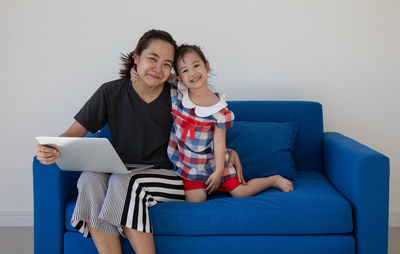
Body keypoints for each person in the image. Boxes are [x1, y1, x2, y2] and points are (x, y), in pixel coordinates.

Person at [34, 30, 243, 254]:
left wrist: (229, 152)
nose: (158, 69)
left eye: (166, 64)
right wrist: (49, 147)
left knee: (126, 182)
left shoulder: (179, 95)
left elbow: (205, 127)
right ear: (136, 58)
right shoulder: (111, 92)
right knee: (89, 179)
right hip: (121, 170)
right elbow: (73, 132)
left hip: (169, 174)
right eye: (152, 59)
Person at [166, 44, 294, 202]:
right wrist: (134, 71)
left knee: (241, 192)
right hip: (191, 166)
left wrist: (219, 170)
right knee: (195, 202)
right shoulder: (179, 92)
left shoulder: (219, 109)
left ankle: (272, 180)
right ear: (179, 78)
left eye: (196, 65)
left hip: (214, 161)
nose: (192, 73)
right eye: (185, 70)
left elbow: (219, 141)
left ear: (207, 66)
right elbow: (159, 73)